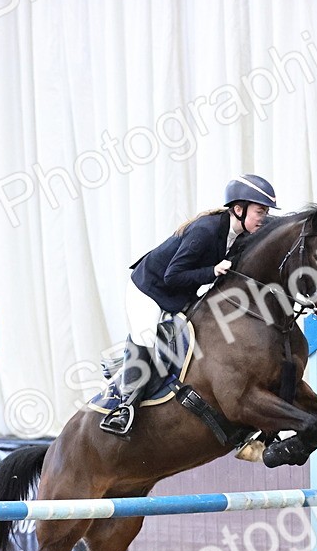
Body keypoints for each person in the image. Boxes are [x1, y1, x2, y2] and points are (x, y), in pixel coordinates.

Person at [100, 174, 279, 436]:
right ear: (238, 210)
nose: (263, 218)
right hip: (148, 290)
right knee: (149, 341)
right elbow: (171, 276)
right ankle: (124, 408)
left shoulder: (240, 232)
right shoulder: (205, 232)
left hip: (180, 293)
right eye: (260, 211)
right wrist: (212, 271)